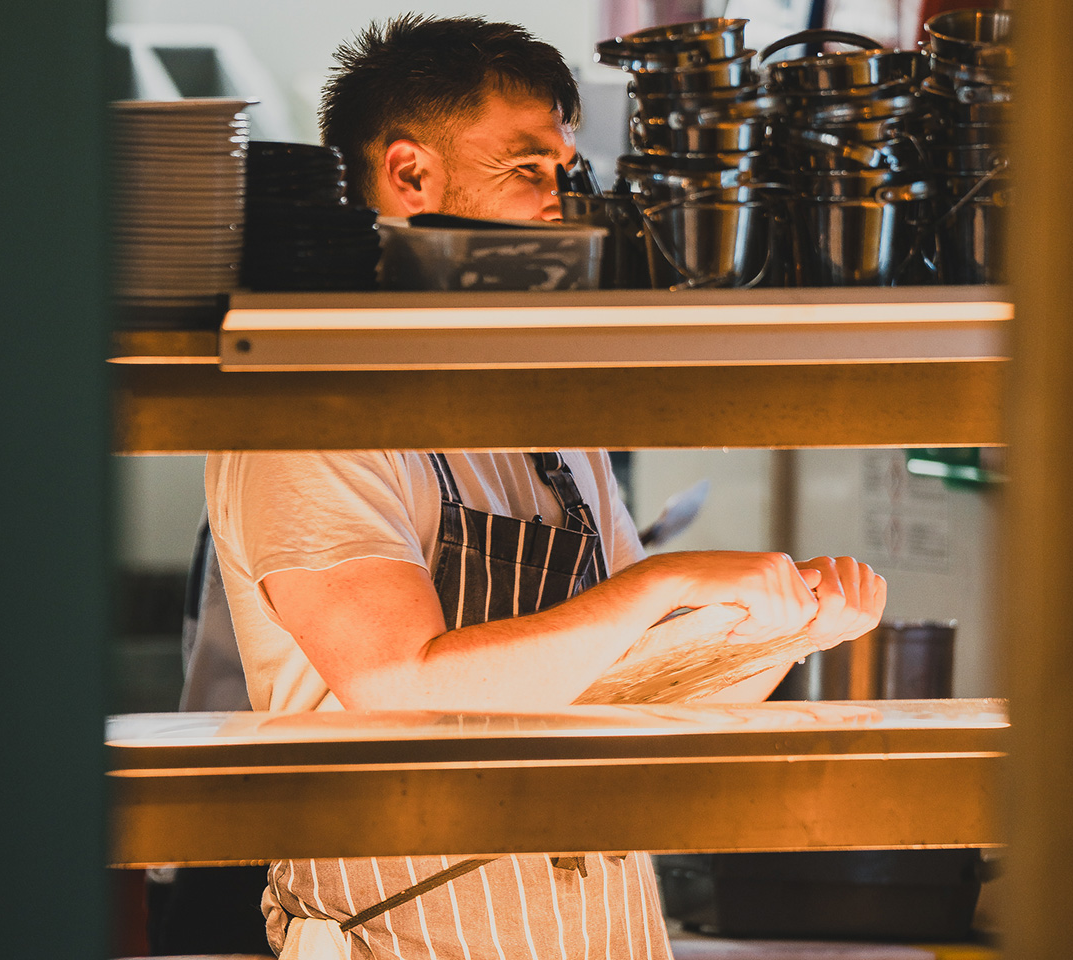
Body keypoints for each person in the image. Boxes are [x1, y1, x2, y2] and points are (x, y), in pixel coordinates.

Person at [206, 14, 887, 960]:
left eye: (567, 173)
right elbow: (397, 685)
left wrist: (786, 632)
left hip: (600, 930)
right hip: (402, 936)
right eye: (527, 169)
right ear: (410, 175)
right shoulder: (313, 414)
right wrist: (665, 583)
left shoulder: (543, 405)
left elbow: (644, 704)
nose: (561, 203)